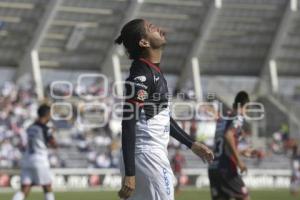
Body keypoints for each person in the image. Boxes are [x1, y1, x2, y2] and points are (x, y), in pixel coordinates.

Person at [115, 19, 214, 200]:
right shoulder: (141, 76)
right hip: (147, 155)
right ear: (144, 42)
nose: (158, 28)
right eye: (151, 28)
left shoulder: (153, 72)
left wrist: (191, 143)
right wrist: (130, 173)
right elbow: (128, 122)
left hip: (147, 155)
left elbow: (160, 116)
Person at [208, 91, 258, 200]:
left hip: (213, 167)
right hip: (226, 168)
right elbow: (228, 136)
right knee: (244, 197)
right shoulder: (238, 117)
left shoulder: (222, 119)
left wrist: (241, 151)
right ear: (245, 106)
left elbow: (221, 146)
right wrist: (239, 161)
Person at [12, 104, 57, 200]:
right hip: (40, 160)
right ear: (47, 114)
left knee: (24, 189)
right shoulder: (45, 128)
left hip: (27, 159)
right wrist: (53, 134)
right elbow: (54, 144)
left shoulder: (30, 127)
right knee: (47, 187)